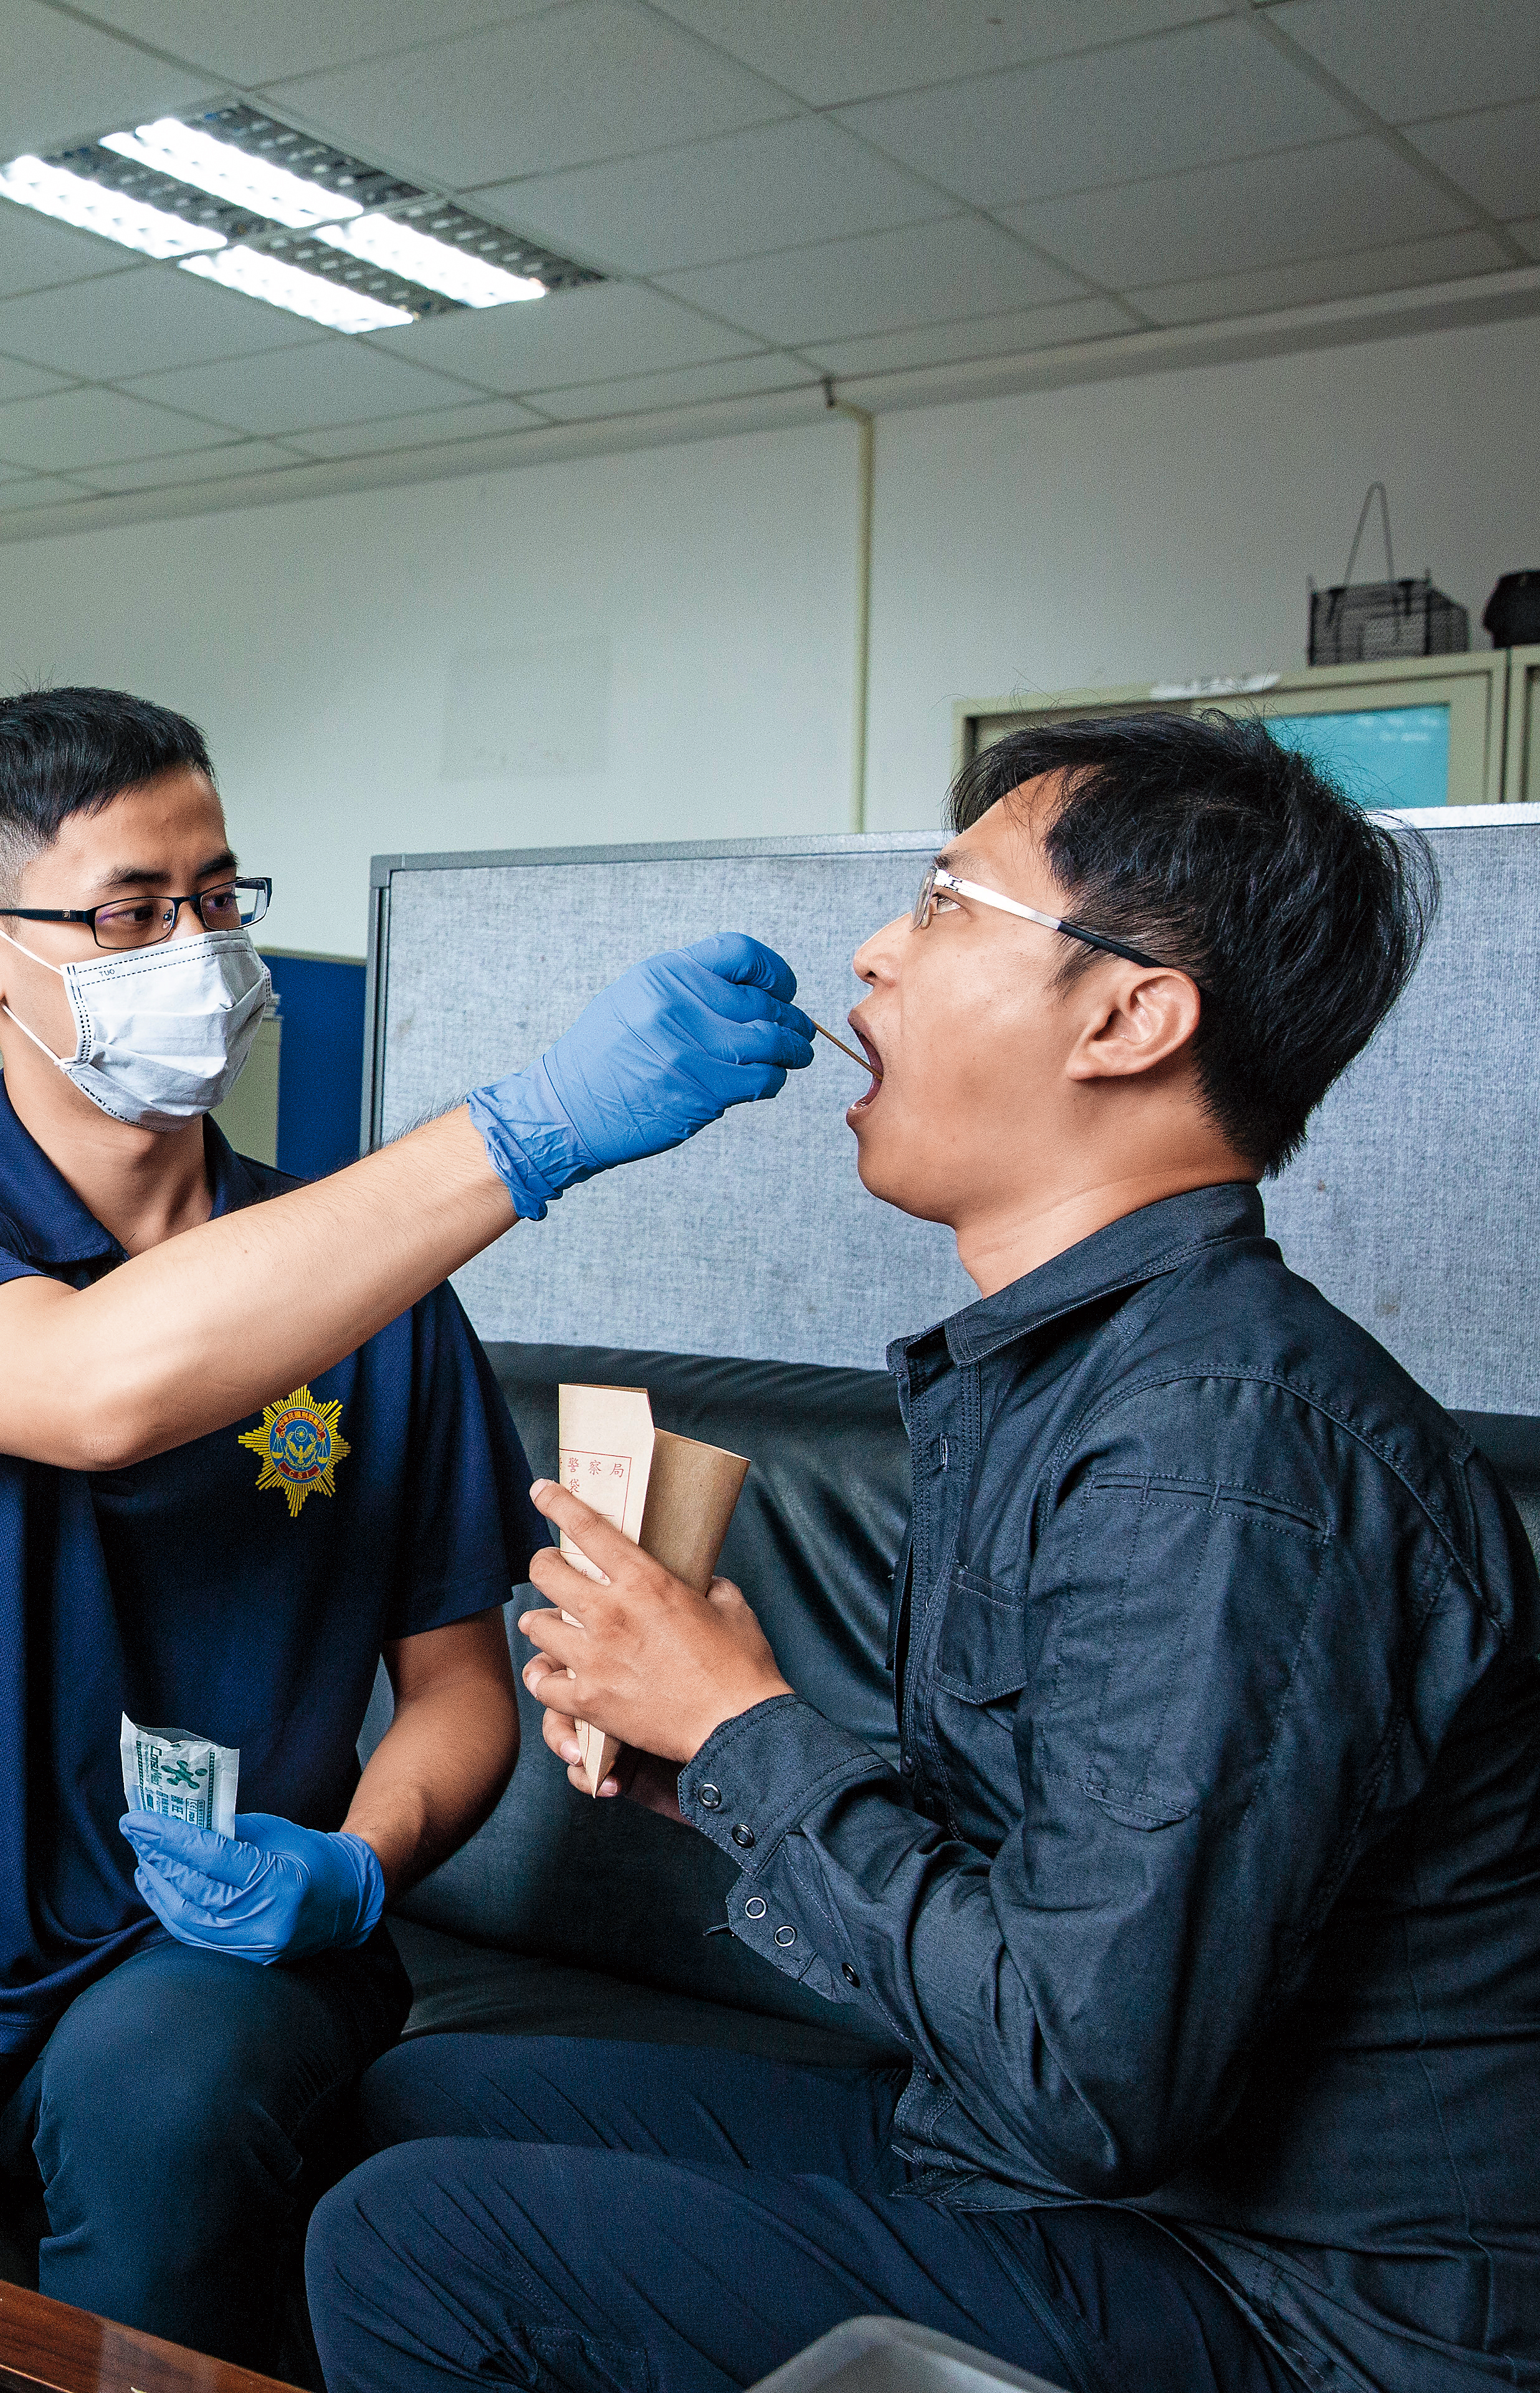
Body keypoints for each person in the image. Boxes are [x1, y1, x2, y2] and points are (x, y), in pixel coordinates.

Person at [0, 687, 820, 2364]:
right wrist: (524, 1131)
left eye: (221, 898)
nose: (200, 948)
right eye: (133, 912)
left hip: (216, 1949)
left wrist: (358, 1875)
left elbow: (455, 1688)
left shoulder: (375, 1287)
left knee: (154, 2127)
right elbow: (98, 1385)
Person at [310, 712, 1540, 2392]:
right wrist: (705, 1764)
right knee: (412, 2093)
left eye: (953, 904)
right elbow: (1072, 1885)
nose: (877, 952)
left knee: (420, 2245)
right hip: (1112, 2185)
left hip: (1298, 2305)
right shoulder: (1072, 1371)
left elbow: (1087, 2075)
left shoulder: (1220, 1445)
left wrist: (753, 1731)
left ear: (1128, 1016)